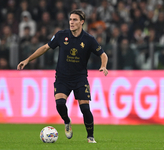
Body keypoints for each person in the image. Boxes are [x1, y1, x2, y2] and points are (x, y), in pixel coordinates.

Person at [17, 9, 108, 143]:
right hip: (62, 78)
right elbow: (45, 48)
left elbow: (103, 54)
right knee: (60, 104)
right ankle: (67, 121)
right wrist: (27, 60)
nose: (71, 22)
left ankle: (90, 137)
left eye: (75, 20)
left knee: (85, 108)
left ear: (82, 22)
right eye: (70, 19)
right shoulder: (61, 35)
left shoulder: (89, 39)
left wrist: (104, 65)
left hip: (80, 79)